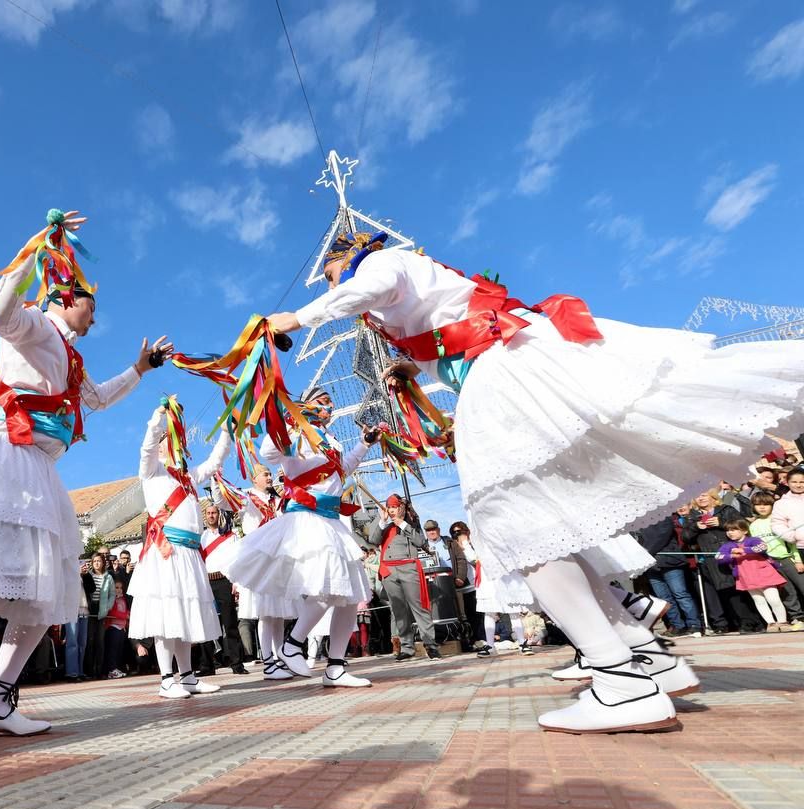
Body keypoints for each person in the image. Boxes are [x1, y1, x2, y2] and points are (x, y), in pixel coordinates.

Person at [263, 228, 775, 733]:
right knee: (538, 524)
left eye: (331, 276)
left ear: (350, 253)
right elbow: (438, 337)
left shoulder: (383, 263)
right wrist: (414, 369)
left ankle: (622, 682)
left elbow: (369, 287)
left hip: (503, 369)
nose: (331, 288)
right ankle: (644, 659)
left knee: (517, 524)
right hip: (506, 366)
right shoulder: (417, 287)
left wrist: (297, 317)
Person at [0, 211, 171, 735]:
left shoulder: (71, 357)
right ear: (66, 296)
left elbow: (98, 400)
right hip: (9, 454)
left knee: (45, 590)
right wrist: (38, 249)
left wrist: (140, 369)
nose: (94, 315)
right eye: (91, 304)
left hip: (38, 468)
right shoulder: (34, 324)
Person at [225, 388, 378, 688]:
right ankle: (292, 644)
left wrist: (363, 444)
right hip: (308, 519)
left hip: (332, 521)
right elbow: (269, 452)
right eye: (321, 402)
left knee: (349, 597)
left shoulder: (330, 439)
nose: (329, 407)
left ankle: (335, 667)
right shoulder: (296, 432)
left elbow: (341, 470)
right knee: (326, 588)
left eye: (329, 402)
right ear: (306, 405)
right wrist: (291, 420)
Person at [128, 400, 230, 699]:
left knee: (185, 614)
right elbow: (147, 448)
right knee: (165, 615)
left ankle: (187, 677)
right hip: (165, 552)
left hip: (188, 554)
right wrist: (157, 419)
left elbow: (213, 463)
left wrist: (225, 433)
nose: (172, 445)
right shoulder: (152, 472)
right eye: (167, 442)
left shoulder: (187, 479)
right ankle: (166, 679)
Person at [233, 464, 294, 681]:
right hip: (260, 559)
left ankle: (280, 658)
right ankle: (268, 661)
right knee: (266, 613)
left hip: (277, 558)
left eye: (270, 474)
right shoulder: (247, 498)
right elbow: (227, 502)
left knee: (278, 614)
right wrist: (216, 480)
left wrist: (287, 482)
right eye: (265, 474)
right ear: (254, 478)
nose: (269, 478)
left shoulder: (276, 500)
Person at [368, 495, 439, 661]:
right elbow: (373, 540)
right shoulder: (382, 522)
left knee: (419, 607)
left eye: (395, 506)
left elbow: (421, 541)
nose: (391, 509)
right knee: (398, 610)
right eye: (389, 506)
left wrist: (403, 524)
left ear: (401, 507)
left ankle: (430, 645)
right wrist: (382, 522)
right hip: (389, 570)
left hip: (409, 567)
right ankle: (407, 647)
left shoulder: (411, 522)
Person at [684, 490, 751, 633]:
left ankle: (748, 622)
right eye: (697, 495)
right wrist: (696, 527)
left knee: (736, 590)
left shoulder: (726, 509)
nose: (700, 498)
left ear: (713, 497)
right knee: (720, 593)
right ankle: (725, 624)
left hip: (731, 554)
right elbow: (685, 537)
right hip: (709, 558)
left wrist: (722, 523)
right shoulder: (693, 516)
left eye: (704, 495)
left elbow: (743, 525)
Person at [199, 501, 249, 675]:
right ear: (205, 516)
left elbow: (237, 560)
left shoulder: (231, 535)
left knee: (230, 624)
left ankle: (237, 664)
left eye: (214, 513)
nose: (211, 515)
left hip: (224, 581)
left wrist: (236, 582)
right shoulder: (201, 537)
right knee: (206, 624)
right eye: (209, 513)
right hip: (206, 582)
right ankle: (207, 666)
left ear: (218, 514)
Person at [633, 516, 704, 637]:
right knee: (664, 598)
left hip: (669, 561)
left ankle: (694, 624)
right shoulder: (636, 522)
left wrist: (645, 552)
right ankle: (677, 625)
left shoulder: (663, 517)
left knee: (680, 593)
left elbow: (662, 536)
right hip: (650, 565)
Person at [717, 519, 789, 631]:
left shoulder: (753, 540)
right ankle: (771, 623)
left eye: (734, 529)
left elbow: (762, 547)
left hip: (764, 573)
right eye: (728, 530)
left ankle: (783, 622)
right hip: (746, 576)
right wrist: (731, 555)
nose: (730, 532)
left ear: (744, 530)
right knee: (759, 600)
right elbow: (718, 557)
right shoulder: (728, 545)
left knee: (773, 598)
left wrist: (744, 550)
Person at [748, 492, 804, 630]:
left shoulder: (778, 520)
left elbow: (792, 542)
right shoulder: (753, 525)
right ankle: (798, 618)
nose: (762, 508)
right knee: (787, 592)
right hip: (771, 563)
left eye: (766, 504)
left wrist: (797, 560)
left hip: (788, 558)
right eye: (758, 505)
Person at [448, 521, 483, 649]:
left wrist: (465, 544)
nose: (457, 534)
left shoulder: (473, 543)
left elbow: (474, 559)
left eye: (460, 531)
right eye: (454, 533)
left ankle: (484, 638)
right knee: (467, 615)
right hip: (463, 586)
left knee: (481, 614)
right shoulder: (452, 546)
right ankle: (473, 640)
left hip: (478, 583)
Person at [82, 553, 114, 678]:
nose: (96, 563)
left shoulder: (108, 577)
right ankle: (90, 671)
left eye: (99, 561)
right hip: (89, 609)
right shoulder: (88, 575)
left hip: (102, 610)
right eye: (94, 561)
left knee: (100, 641)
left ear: (103, 562)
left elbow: (112, 594)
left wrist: (108, 607)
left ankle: (100, 671)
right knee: (90, 641)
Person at [103, 580, 130, 678]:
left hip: (121, 628)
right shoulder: (111, 599)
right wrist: (125, 616)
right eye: (116, 587)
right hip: (113, 627)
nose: (118, 590)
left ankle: (116, 668)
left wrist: (127, 615)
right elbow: (112, 613)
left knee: (119, 650)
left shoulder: (123, 599)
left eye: (120, 588)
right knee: (112, 650)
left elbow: (126, 611)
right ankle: (111, 669)